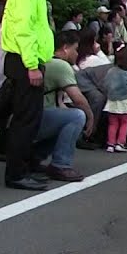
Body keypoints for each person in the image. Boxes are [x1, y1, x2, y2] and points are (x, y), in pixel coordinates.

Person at [0, 0, 56, 191]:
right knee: (25, 119)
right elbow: (24, 29)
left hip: (27, 59)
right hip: (24, 61)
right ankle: (16, 172)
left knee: (29, 118)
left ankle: (23, 167)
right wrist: (32, 65)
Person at [35, 31, 91, 181]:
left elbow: (57, 101)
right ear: (65, 48)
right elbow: (78, 99)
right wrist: (91, 117)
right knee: (78, 116)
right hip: (36, 117)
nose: (77, 53)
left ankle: (34, 156)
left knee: (67, 119)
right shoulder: (60, 65)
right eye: (75, 49)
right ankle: (61, 164)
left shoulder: (45, 61)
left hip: (27, 117)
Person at [103, 45, 127, 153]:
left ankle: (110, 143)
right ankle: (120, 142)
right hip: (124, 101)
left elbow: (105, 84)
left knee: (112, 123)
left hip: (111, 101)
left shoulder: (111, 71)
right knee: (125, 123)